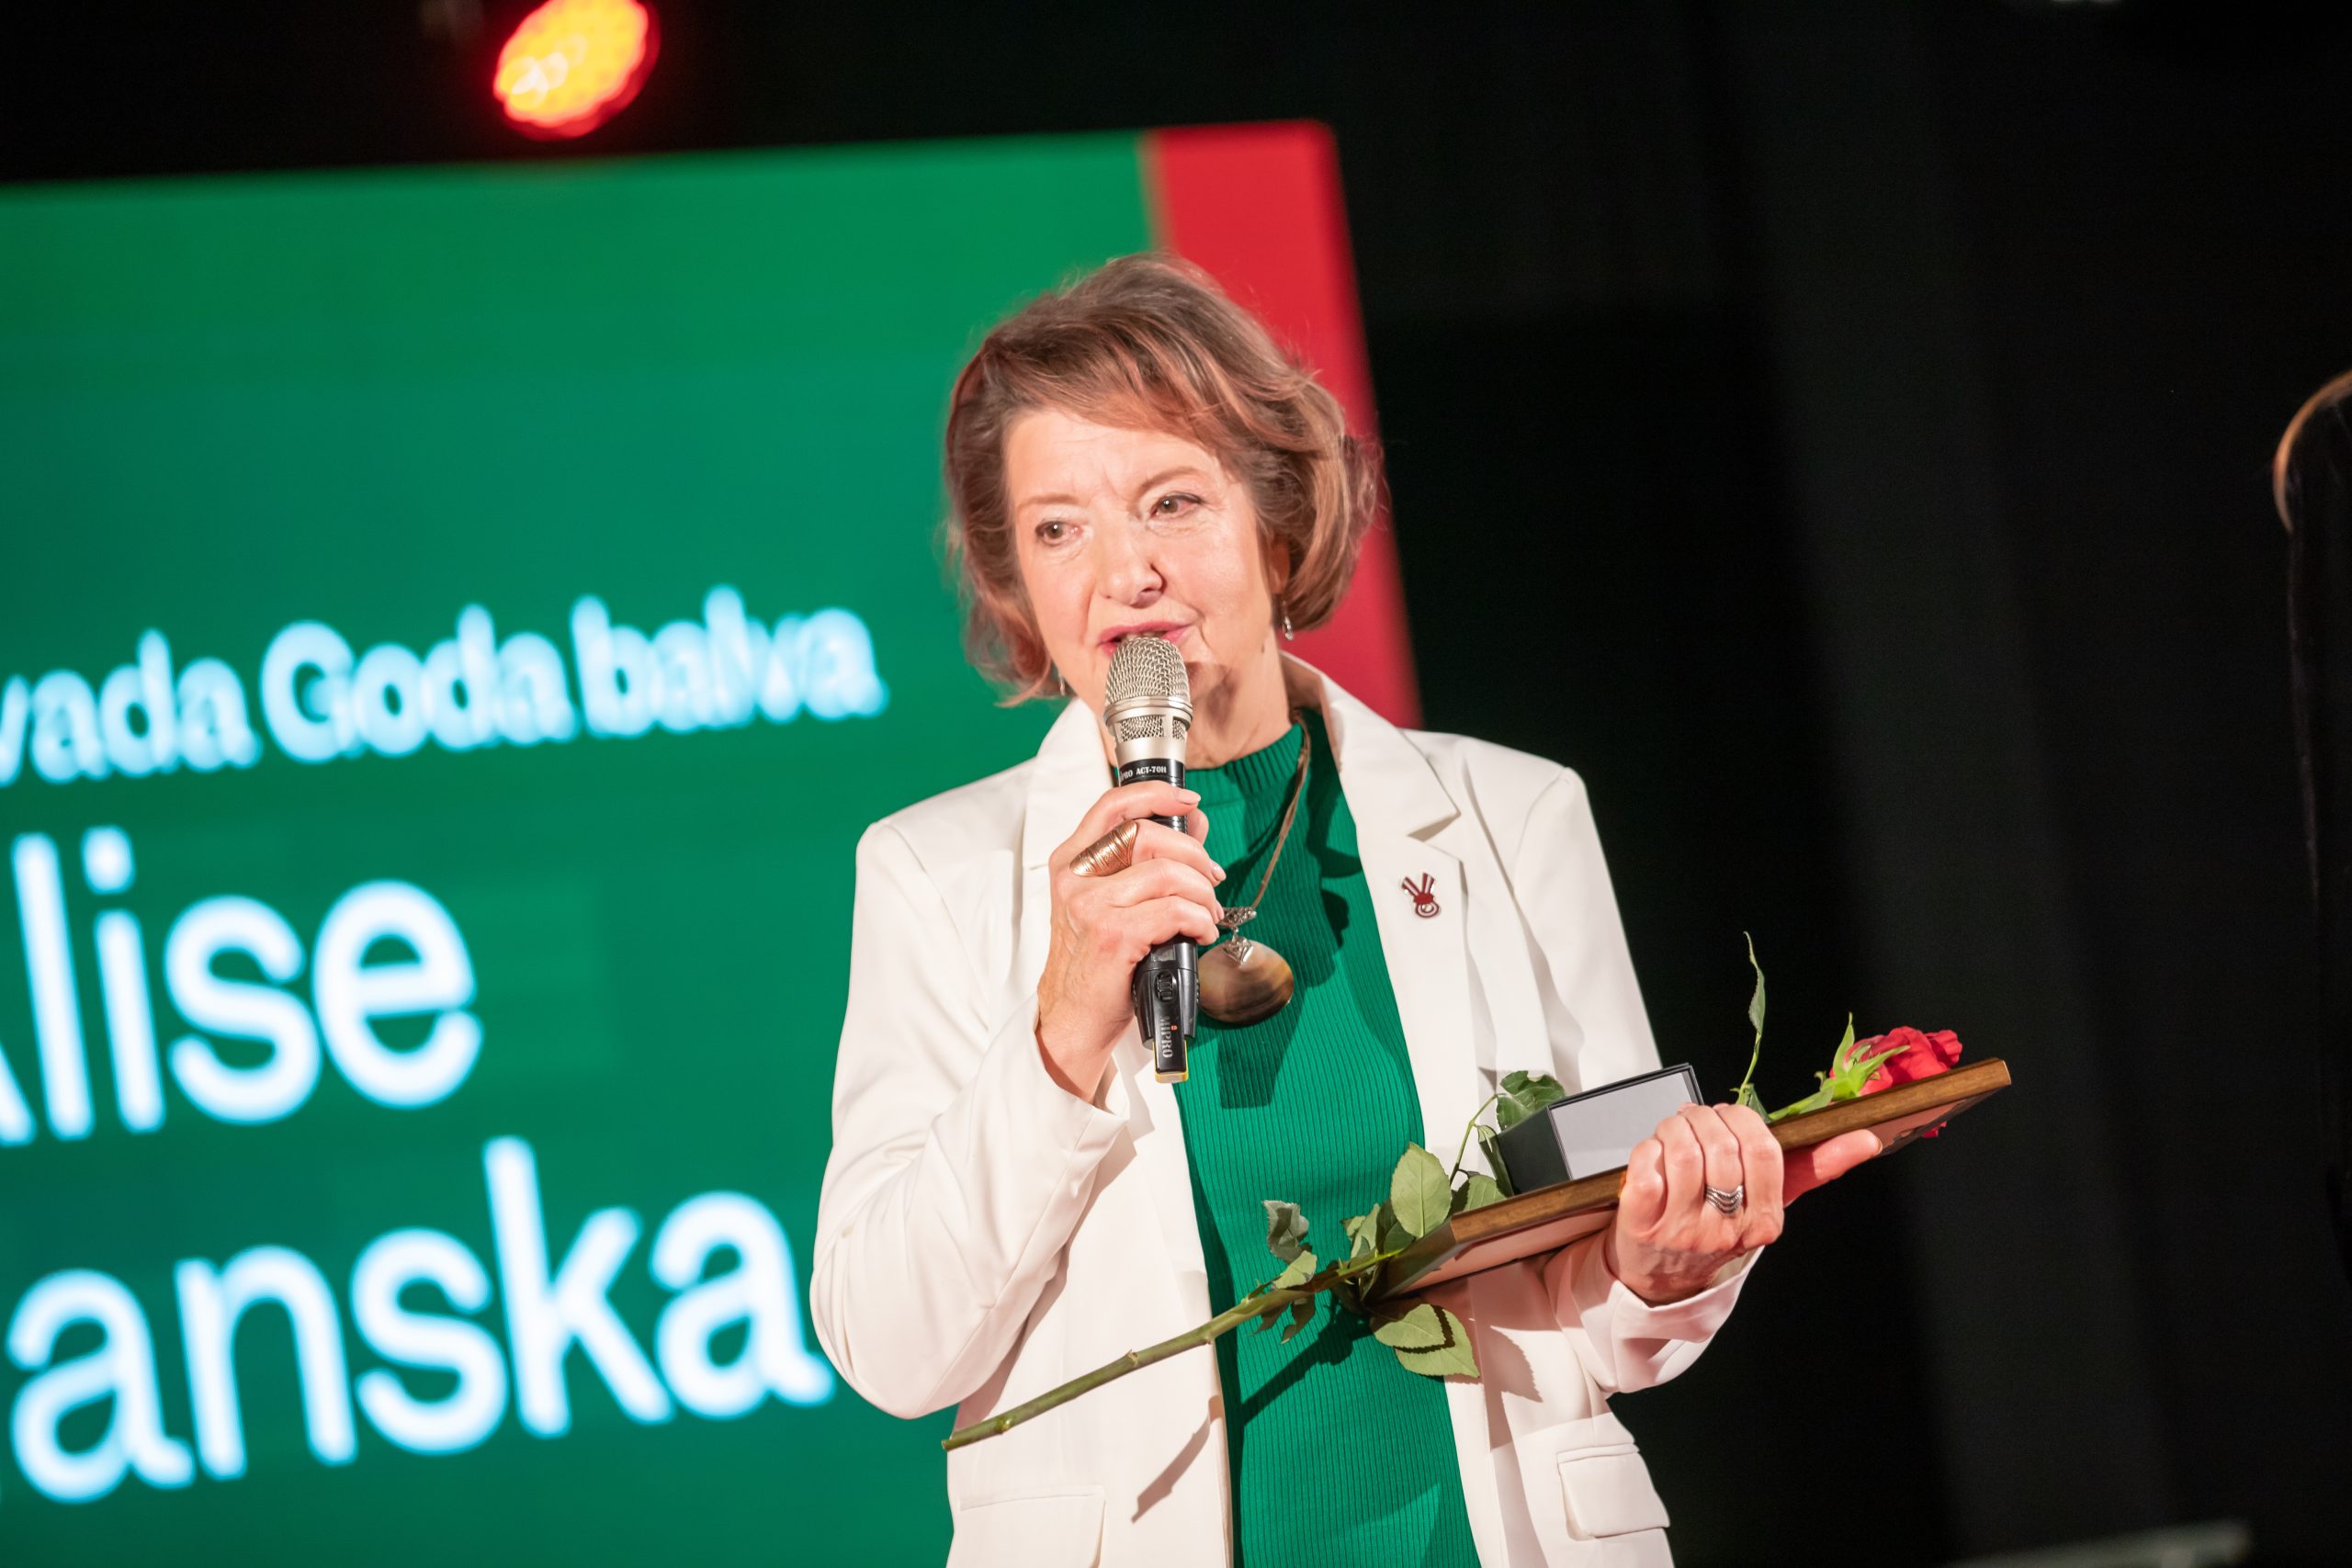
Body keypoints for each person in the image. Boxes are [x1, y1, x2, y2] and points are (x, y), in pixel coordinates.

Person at [810, 254, 1880, 1567]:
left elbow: (1600, 1286)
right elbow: (893, 1350)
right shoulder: (935, 874)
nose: (1124, 571)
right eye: (1058, 529)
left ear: (1278, 525)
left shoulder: (1511, 815)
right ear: (1014, 584)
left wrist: (1664, 1267)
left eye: (1171, 502)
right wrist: (1060, 1030)